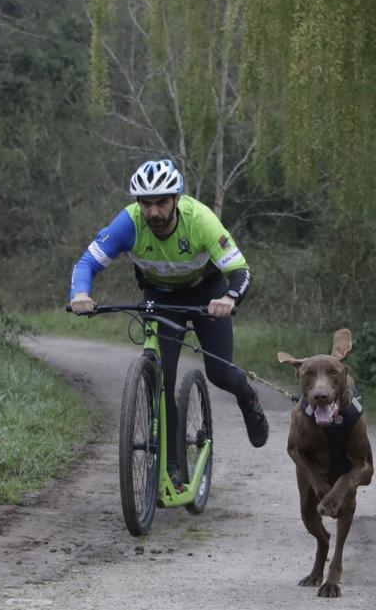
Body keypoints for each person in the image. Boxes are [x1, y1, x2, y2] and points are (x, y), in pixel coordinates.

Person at [68, 159, 270, 482]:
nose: (154, 212)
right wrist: (80, 294)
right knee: (161, 381)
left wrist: (229, 299)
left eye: (162, 202)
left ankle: (248, 396)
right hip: (160, 295)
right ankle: (172, 466)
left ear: (176, 199)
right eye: (146, 204)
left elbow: (240, 271)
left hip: (207, 292)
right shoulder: (129, 223)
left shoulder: (200, 220)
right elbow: (87, 263)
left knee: (219, 371)